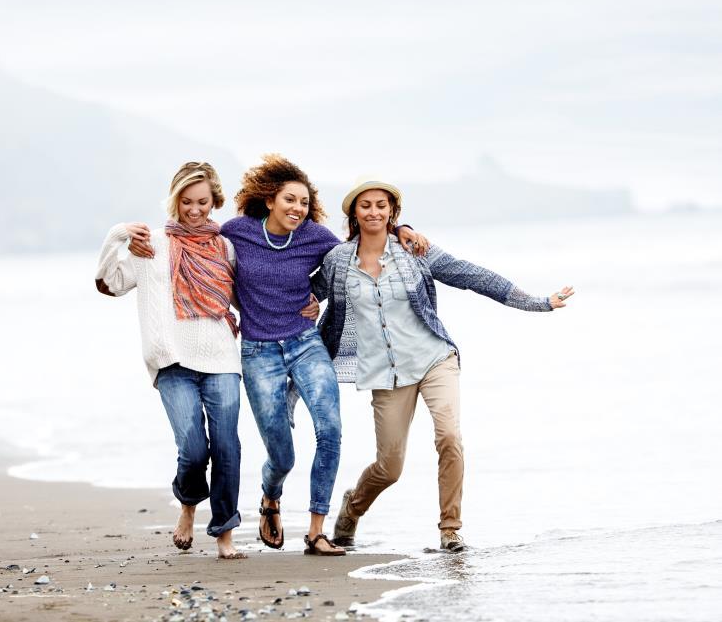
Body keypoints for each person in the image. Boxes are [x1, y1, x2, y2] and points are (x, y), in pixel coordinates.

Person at [131, 155, 428, 557]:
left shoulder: (315, 237)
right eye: (290, 199)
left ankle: (317, 530)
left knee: (330, 430)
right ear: (270, 200)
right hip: (258, 353)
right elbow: (196, 237)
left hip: (306, 343)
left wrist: (401, 230)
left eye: (304, 203)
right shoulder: (237, 232)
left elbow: (358, 250)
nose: (297, 208)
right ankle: (271, 497)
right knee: (282, 453)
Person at [312, 178, 574, 552]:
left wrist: (539, 302)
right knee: (390, 468)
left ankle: (450, 529)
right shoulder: (338, 261)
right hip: (385, 374)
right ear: (354, 212)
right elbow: (307, 293)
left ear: (393, 212)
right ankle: (352, 508)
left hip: (434, 357)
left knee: (449, 437)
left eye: (382, 205)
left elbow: (471, 276)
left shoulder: (414, 250)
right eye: (365, 205)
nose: (374, 212)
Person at [93, 161, 247, 559]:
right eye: (186, 201)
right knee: (194, 448)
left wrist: (306, 305)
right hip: (171, 360)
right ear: (174, 199)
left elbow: (244, 298)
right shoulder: (151, 243)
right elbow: (109, 284)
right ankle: (188, 507)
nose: (194, 210)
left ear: (214, 202)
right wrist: (117, 236)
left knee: (227, 445)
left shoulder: (225, 247)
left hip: (221, 357)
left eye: (202, 202)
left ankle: (225, 533)